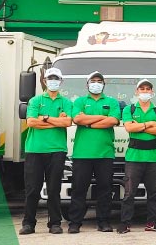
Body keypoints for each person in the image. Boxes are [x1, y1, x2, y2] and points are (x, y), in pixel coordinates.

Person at [20, 67, 73, 235]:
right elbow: (31, 123)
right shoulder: (35, 100)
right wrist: (56, 120)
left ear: (61, 81)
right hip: (34, 150)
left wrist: (45, 118)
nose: (53, 81)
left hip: (57, 150)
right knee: (32, 189)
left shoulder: (66, 102)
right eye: (50, 78)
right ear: (44, 80)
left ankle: (55, 223)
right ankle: (28, 223)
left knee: (54, 189)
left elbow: (67, 123)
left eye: (56, 78)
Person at [68, 71, 121, 234]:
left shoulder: (112, 101)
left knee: (105, 189)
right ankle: (75, 223)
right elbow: (77, 119)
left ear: (104, 84)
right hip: (82, 154)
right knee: (79, 189)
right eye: (93, 81)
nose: (96, 83)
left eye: (99, 81)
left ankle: (103, 222)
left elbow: (113, 120)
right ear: (87, 84)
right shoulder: (79, 101)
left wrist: (89, 121)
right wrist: (101, 118)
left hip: (104, 153)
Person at [118, 79, 156, 234]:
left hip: (152, 157)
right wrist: (149, 124)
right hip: (134, 157)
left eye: (148, 89)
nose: (145, 91)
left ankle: (152, 222)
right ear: (136, 92)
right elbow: (128, 127)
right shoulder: (130, 109)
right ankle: (125, 223)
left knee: (153, 193)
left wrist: (138, 126)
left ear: (152, 92)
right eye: (142, 89)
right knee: (129, 193)